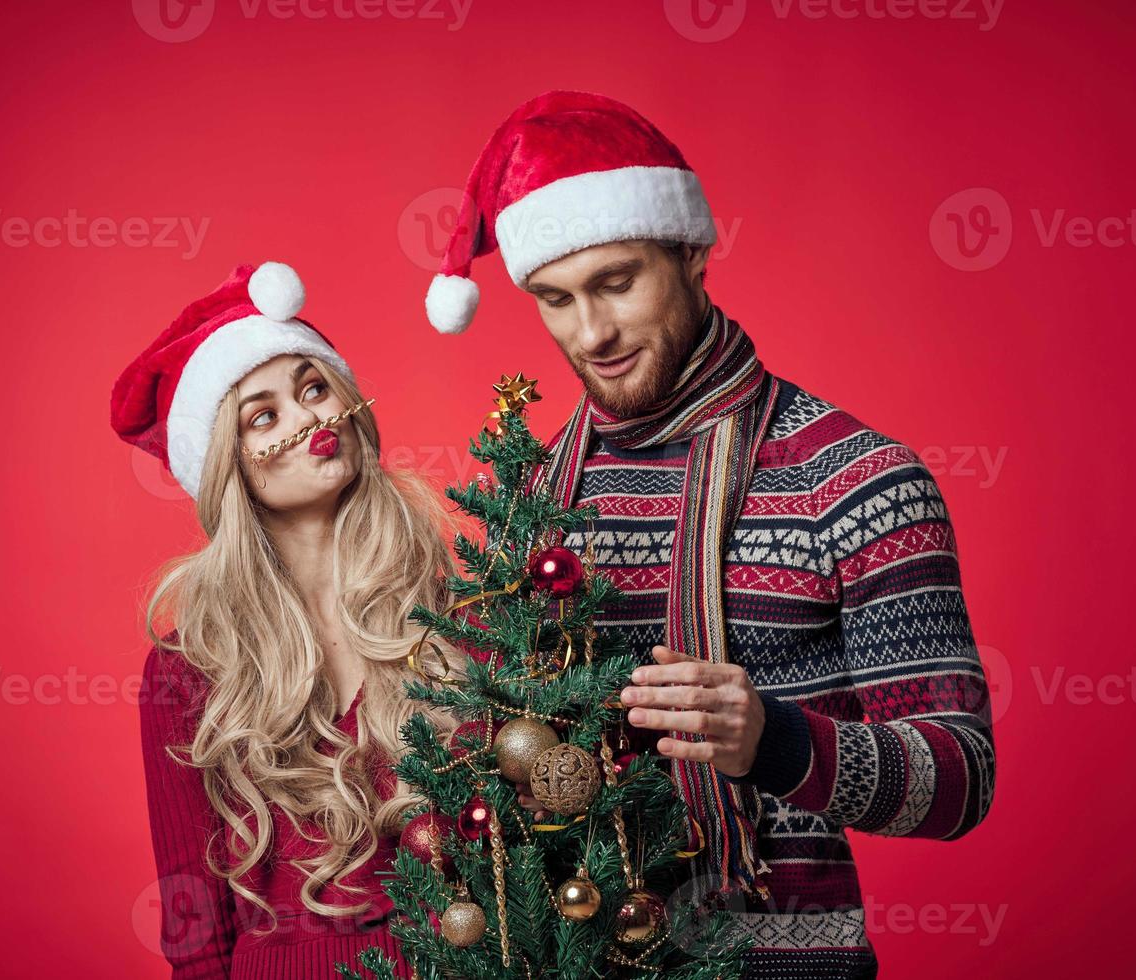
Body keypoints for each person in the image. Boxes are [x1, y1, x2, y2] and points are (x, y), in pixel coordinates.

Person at [424, 91, 998, 978]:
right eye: (555, 299)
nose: (592, 332)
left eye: (619, 282)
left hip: (780, 964)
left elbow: (958, 782)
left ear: (691, 252)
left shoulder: (854, 479)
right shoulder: (536, 498)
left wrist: (774, 739)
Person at [111, 262, 454, 980]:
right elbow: (196, 935)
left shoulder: (449, 609)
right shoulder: (188, 669)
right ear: (228, 467)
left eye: (313, 388)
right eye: (264, 415)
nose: (306, 419)